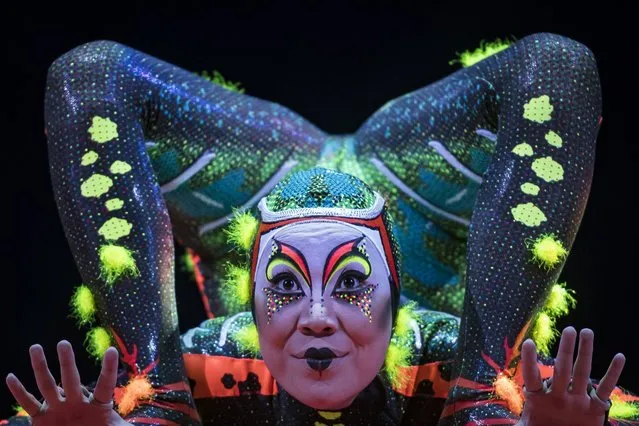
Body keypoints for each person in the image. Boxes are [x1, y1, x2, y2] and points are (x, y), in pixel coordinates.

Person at [4, 34, 638, 424]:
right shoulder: (435, 354)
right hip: (416, 197)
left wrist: (133, 403)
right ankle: (482, 395)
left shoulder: (220, 358)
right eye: (288, 289)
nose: (315, 318)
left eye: (348, 287)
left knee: (90, 72)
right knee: (555, 63)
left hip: (255, 196)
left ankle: (156, 396)